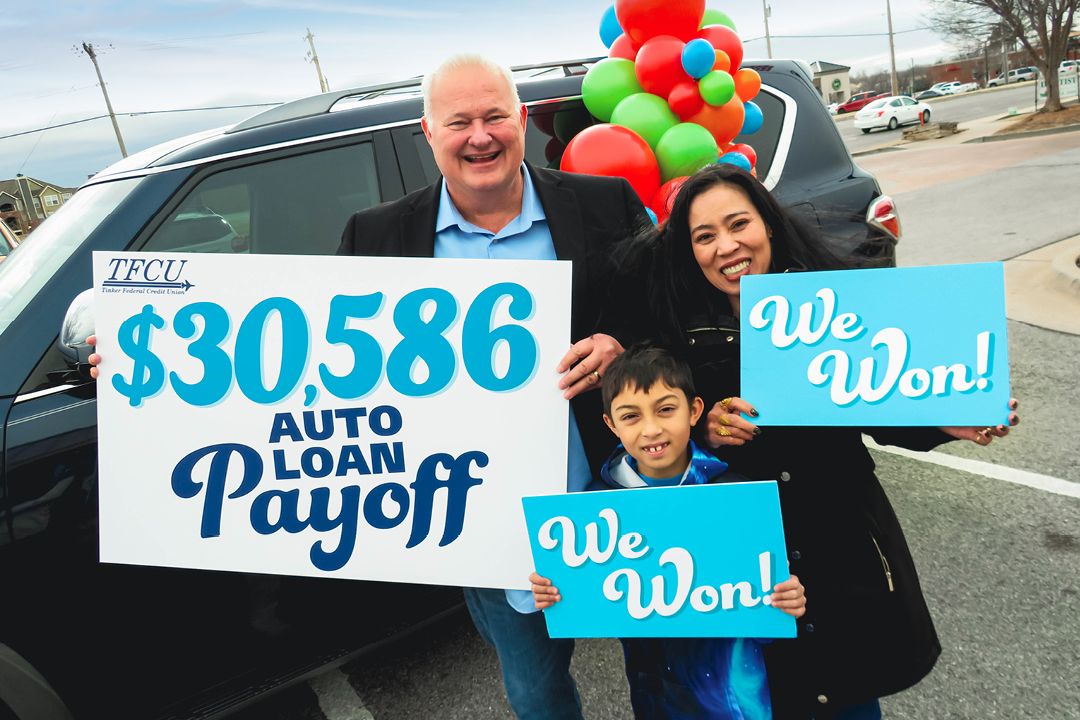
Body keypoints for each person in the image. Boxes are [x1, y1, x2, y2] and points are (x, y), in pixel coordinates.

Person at [606, 163, 1020, 719]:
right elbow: (653, 435)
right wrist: (705, 430)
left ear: (768, 224)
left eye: (738, 224)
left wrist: (948, 422)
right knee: (760, 693)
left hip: (836, 535)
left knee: (846, 692)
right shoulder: (672, 327)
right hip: (743, 560)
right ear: (688, 250)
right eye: (704, 237)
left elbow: (884, 401)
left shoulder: (831, 300)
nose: (726, 246)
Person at [334, 54, 649, 719]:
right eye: (459, 122)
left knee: (663, 662)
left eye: (495, 116)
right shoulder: (375, 238)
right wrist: (144, 364)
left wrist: (622, 343)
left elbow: (668, 307)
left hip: (617, 491)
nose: (480, 136)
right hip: (482, 518)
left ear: (523, 120)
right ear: (429, 133)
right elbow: (310, 361)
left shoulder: (604, 205)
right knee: (536, 692)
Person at [530, 345, 808, 719]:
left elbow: (764, 618)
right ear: (610, 424)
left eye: (665, 409)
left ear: (694, 411)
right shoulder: (595, 510)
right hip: (654, 694)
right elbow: (589, 598)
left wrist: (784, 600)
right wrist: (557, 589)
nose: (651, 429)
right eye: (630, 416)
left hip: (735, 699)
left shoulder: (735, 497)